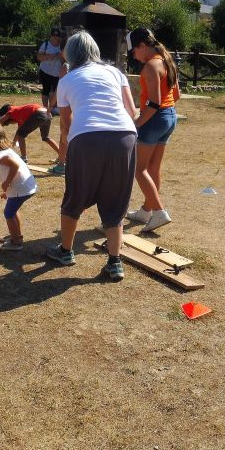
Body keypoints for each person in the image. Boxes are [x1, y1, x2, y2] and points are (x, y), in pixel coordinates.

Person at [47, 30, 137, 281]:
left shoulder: (67, 80)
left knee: (75, 194)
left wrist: (69, 147)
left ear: (71, 55)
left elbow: (66, 123)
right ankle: (115, 261)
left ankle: (65, 251)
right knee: (116, 199)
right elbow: (131, 111)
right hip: (124, 136)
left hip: (86, 137)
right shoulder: (115, 73)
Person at [124, 27, 179, 233]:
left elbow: (154, 103)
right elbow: (176, 95)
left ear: (142, 46)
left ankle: (158, 212)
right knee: (153, 169)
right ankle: (147, 210)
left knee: (139, 169)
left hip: (155, 119)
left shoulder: (150, 67)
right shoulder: (167, 61)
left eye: (134, 51)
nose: (134, 56)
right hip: (169, 117)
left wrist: (137, 123)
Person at [0, 120, 37, 251]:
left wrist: (6, 183)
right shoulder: (7, 151)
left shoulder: (1, 156)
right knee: (13, 210)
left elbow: (15, 166)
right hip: (23, 187)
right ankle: (16, 235)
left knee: (9, 213)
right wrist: (8, 190)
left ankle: (16, 242)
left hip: (20, 188)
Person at [37, 27, 65, 171]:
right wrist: (48, 56)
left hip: (56, 73)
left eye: (57, 37)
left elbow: (64, 59)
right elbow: (39, 56)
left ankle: (52, 109)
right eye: (54, 36)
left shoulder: (62, 47)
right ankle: (46, 108)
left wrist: (59, 56)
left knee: (57, 91)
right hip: (46, 71)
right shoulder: (46, 44)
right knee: (46, 90)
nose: (56, 39)